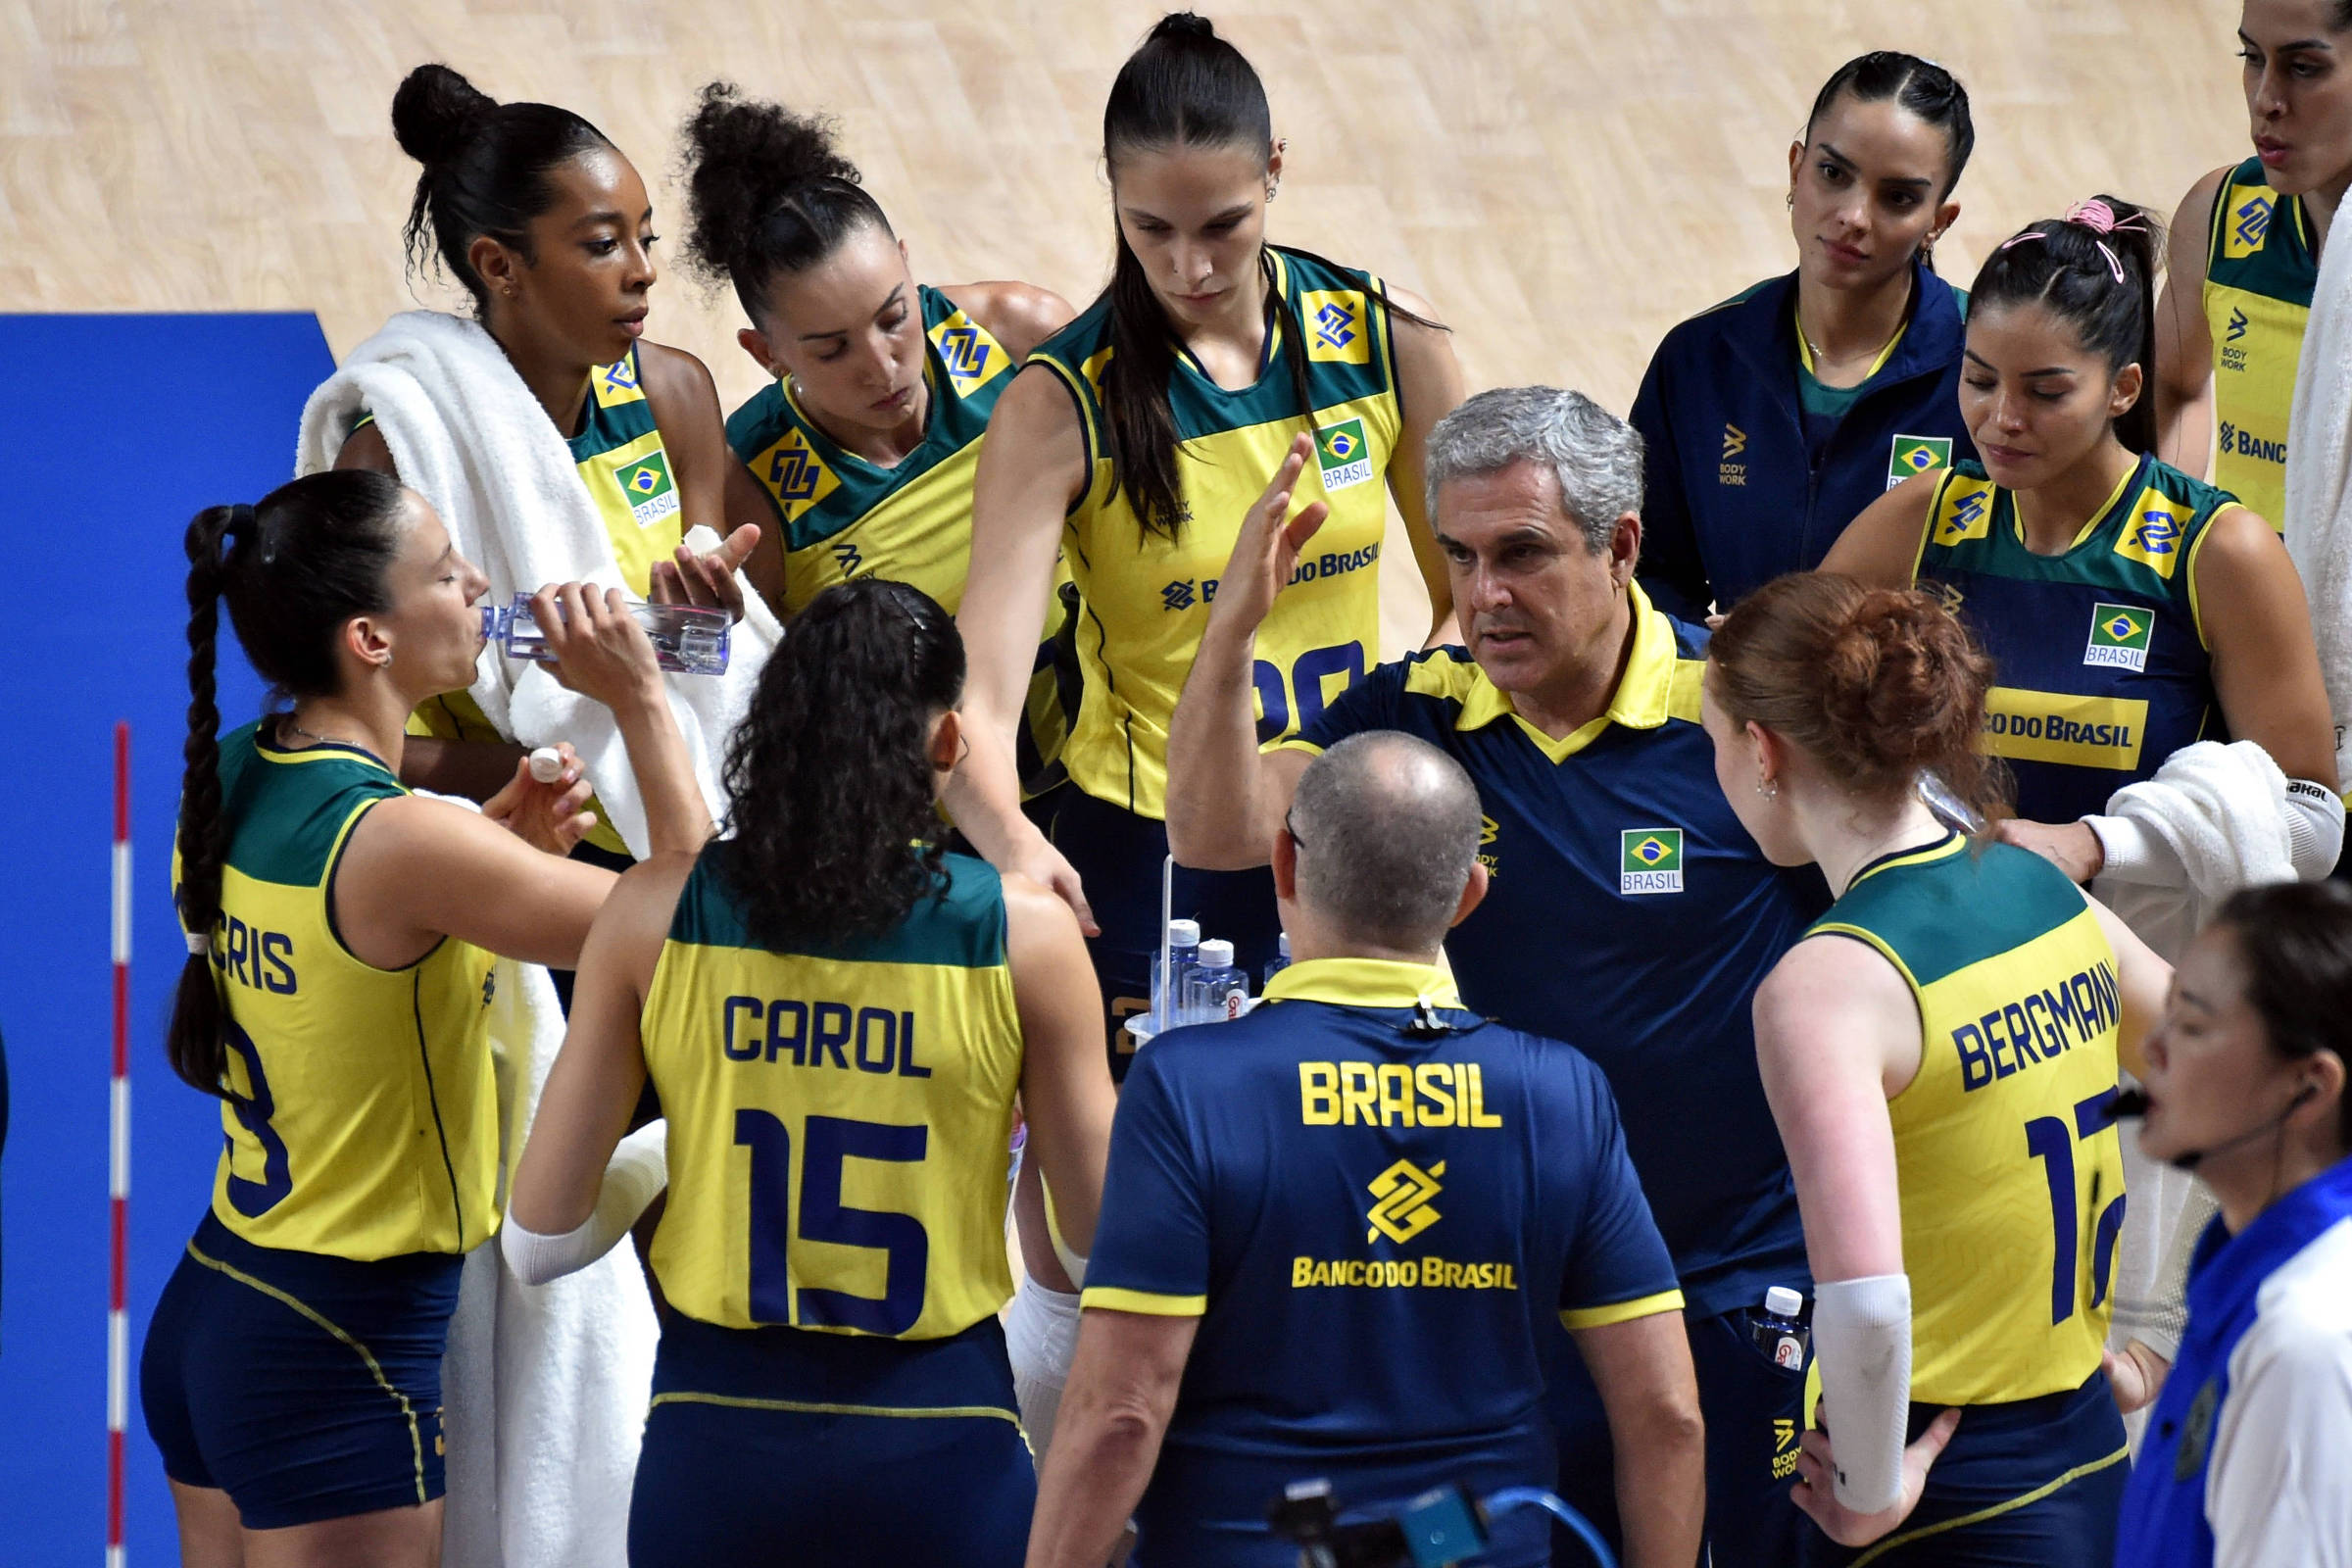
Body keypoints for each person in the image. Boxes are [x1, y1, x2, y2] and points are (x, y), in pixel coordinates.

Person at [1163, 387, 1819, 1568]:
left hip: (1722, 1288)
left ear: (1621, 547)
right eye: (1459, 557)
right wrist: (1232, 632)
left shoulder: (1738, 719)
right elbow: (1218, 834)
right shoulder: (1417, 714)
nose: (1483, 596)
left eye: (1521, 554)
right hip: (1498, 1300)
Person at [138, 470, 709, 1567]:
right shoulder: (407, 844)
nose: (479, 584)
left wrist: (494, 860)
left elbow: (364, 957)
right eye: (447, 573)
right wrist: (641, 695)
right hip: (334, 1347)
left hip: (224, 1300)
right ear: (371, 637)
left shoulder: (234, 774)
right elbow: (696, 925)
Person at [504, 578, 1117, 1568]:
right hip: (939, 1444)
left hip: (716, 1451)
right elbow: (1095, 1260)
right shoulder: (1028, 937)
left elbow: (541, 1240)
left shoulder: (651, 911)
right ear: (949, 747)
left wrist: (678, 1144)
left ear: (770, 731)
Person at [1031, 731, 1704, 1568]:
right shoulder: (1562, 1095)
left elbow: (1122, 1413)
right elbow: (1668, 1416)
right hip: (1470, 1548)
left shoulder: (1189, 1086)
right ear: (1469, 895)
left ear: (1282, 863)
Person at [945, 11, 1466, 1070]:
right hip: (1154, 849)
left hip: (1347, 826)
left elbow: (1475, 585)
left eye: (1223, 224)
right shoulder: (1059, 404)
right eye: (1151, 230)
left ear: (1276, 169)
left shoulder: (1384, 337)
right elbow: (983, 696)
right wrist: (1011, 851)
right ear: (1112, 197)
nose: (1189, 265)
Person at [1702, 572, 2173, 1564]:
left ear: (1761, 750)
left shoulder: (1828, 983)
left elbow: (1867, 1297)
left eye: (1713, 745)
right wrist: (2170, 1335)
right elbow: (2249, 1072)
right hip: (2088, 1446)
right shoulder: (2038, 884)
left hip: (1939, 1480)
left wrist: (1872, 1489)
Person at [1824, 197, 2339, 896]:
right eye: (1978, 380)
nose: (2001, 418)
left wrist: (2100, 844)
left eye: (2045, 392)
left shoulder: (2218, 553)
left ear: (2124, 388)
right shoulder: (1920, 519)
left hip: (2150, 973)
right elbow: (1800, 706)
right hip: (1965, 956)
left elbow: (2312, 826)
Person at [334, 63, 758, 860]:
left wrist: (708, 622)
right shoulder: (395, 461)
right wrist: (572, 768)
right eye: (603, 244)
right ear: (500, 267)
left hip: (675, 817)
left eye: (646, 235)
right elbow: (357, 739)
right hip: (488, 836)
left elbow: (711, 665)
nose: (644, 269)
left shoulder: (675, 395)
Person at [678, 83, 1083, 793]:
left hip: (1107, 770)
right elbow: (743, 706)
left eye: (895, 316)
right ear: (764, 352)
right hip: (921, 831)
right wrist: (705, 632)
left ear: (905, 263)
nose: (881, 365)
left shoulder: (1022, 340)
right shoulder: (754, 488)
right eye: (831, 351)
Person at [1634, 51, 1977, 620]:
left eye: (1898, 198)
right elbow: (1650, 571)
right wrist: (1709, 658)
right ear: (1796, 169)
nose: (1853, 216)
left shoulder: (1988, 371)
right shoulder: (1698, 360)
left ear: (1938, 221)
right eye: (1833, 173)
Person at [2114, 881, 2352, 1568]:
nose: (2153, 1048)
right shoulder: (2246, 1270)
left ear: (2308, 1087)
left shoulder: (2304, 1342)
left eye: (2191, 1026)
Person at [2153, 0, 2352, 528]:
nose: (2266, 100)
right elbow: (2176, 384)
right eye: (2252, 56)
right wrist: (2171, 533)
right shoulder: (2218, 216)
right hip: (2247, 600)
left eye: (2303, 67)